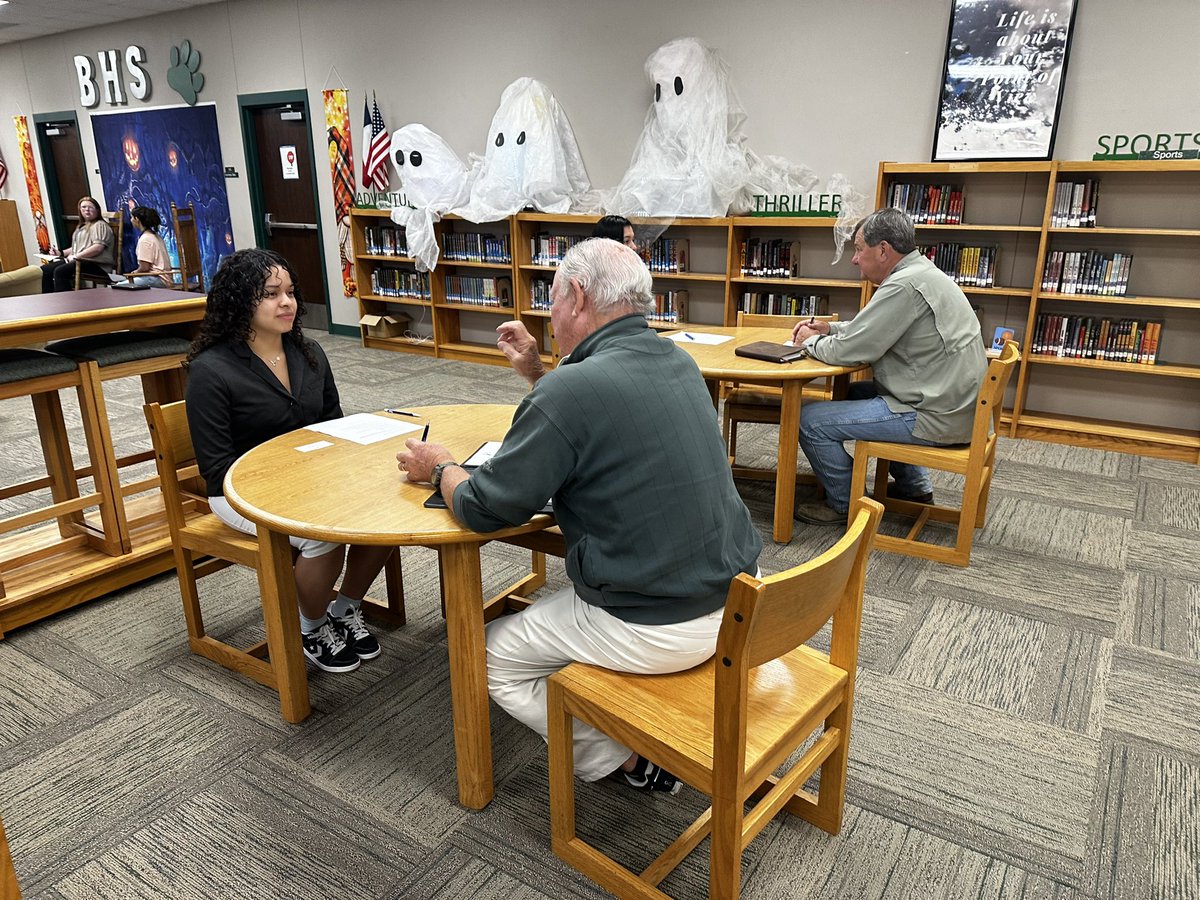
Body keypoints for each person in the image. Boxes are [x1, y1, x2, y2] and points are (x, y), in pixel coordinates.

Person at [397, 238, 762, 794]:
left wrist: (439, 464)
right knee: (547, 615)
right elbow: (602, 421)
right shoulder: (678, 360)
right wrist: (536, 372)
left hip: (657, 621)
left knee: (488, 653)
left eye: (551, 297)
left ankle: (625, 760)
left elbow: (483, 509)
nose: (549, 312)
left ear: (577, 295)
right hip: (739, 597)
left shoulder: (571, 390)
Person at [185, 248, 394, 673]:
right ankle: (312, 626)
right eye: (270, 294)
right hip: (239, 491)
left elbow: (332, 423)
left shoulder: (308, 351)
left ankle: (344, 608)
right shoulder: (211, 370)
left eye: (291, 293)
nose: (287, 303)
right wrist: (293, 485)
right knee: (323, 535)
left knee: (388, 508)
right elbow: (216, 464)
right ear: (239, 301)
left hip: (313, 477)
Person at [789, 207, 987, 525]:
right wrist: (830, 329)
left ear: (883, 250)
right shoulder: (920, 273)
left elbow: (852, 351)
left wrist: (808, 343)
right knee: (857, 393)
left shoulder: (902, 286)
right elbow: (872, 330)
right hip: (951, 403)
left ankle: (846, 504)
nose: (854, 259)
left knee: (808, 419)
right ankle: (914, 488)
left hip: (933, 414)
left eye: (858, 248)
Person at [40, 196, 114, 292]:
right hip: (81, 260)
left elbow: (97, 247)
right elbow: (78, 246)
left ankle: (66, 301)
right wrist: (61, 253)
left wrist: (76, 256)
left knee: (60, 271)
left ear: (97, 210)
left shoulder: (100, 225)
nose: (87, 210)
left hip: (97, 264)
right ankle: (50, 299)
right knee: (44, 271)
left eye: (90, 207)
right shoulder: (82, 226)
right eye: (83, 207)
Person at [125, 206, 172, 287]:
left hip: (157, 279)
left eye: (132, 218)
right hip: (163, 277)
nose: (131, 220)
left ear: (137, 219)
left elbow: (145, 267)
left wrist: (134, 273)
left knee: (119, 286)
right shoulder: (155, 236)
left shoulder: (145, 239)